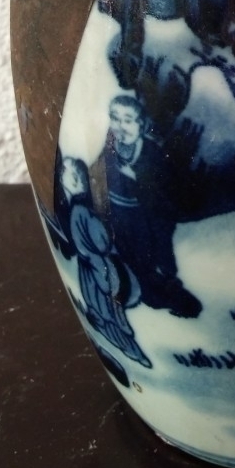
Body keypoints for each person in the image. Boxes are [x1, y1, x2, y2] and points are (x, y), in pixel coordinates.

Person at [90, 95, 203, 319]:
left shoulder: (151, 152)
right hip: (115, 214)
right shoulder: (111, 144)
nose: (121, 126)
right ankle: (130, 291)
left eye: (128, 120)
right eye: (115, 118)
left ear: (141, 125)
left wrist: (136, 177)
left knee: (147, 259)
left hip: (143, 217)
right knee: (121, 257)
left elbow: (165, 194)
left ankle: (170, 296)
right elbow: (98, 172)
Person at [59, 154, 152, 367]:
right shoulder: (81, 209)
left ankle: (134, 354)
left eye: (65, 173)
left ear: (75, 181)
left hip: (98, 270)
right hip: (94, 269)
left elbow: (101, 242)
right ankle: (128, 353)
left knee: (107, 312)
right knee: (104, 311)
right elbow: (99, 241)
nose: (62, 177)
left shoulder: (81, 211)